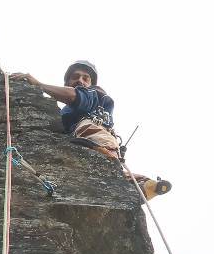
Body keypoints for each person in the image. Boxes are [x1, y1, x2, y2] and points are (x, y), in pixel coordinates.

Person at [13, 61, 171, 200]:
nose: (80, 81)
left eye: (85, 78)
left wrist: (38, 84)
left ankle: (139, 183)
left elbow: (75, 97)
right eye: (75, 77)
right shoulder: (69, 111)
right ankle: (143, 183)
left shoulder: (94, 93)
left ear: (91, 83)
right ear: (67, 81)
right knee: (111, 170)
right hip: (91, 134)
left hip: (95, 131)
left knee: (108, 164)